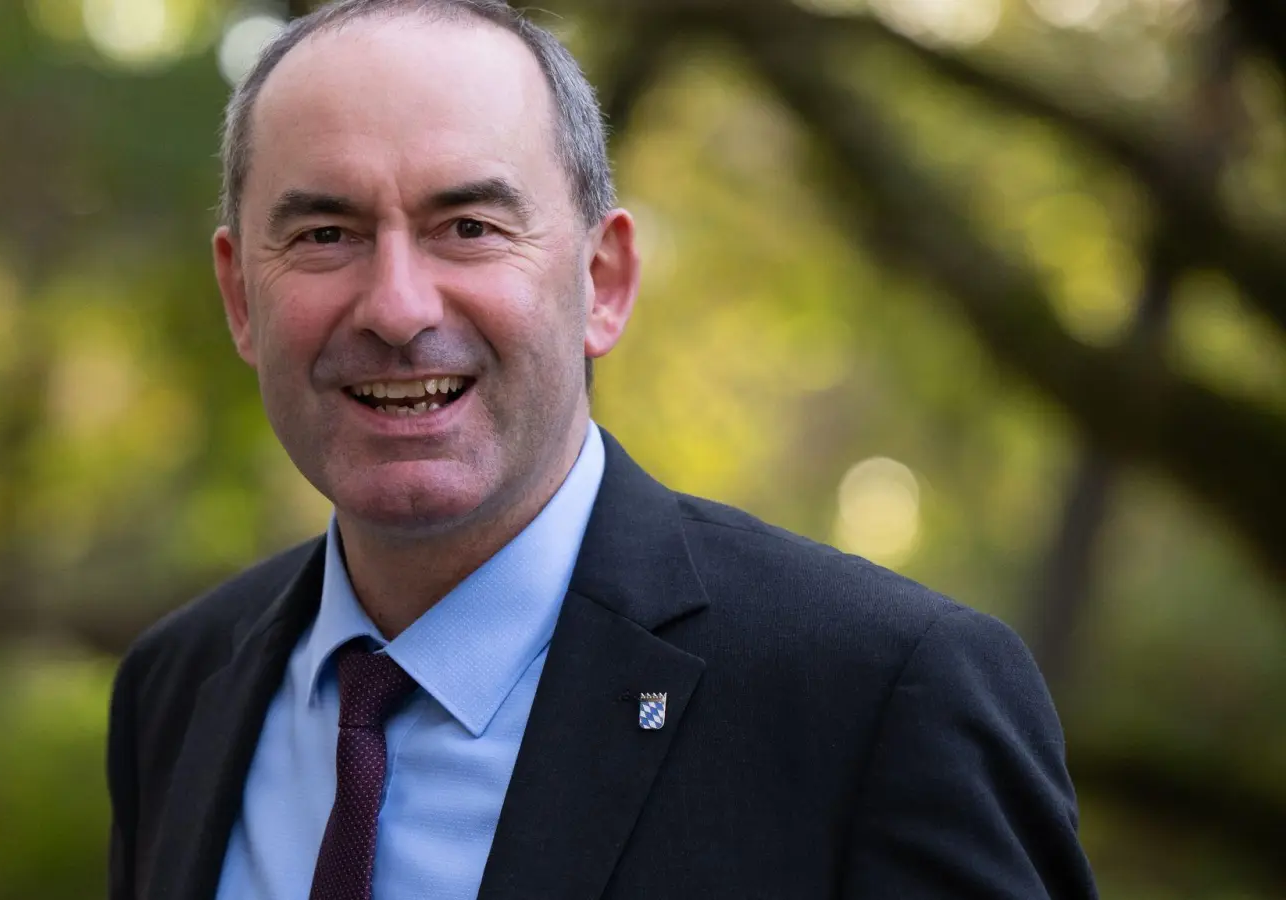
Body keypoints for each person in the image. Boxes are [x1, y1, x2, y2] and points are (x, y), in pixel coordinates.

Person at [105, 0, 1098, 897]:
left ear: (603, 279)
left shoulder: (879, 699)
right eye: (325, 234)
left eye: (468, 225)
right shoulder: (177, 691)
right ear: (241, 298)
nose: (398, 308)